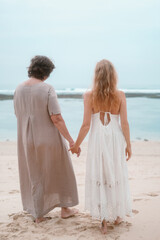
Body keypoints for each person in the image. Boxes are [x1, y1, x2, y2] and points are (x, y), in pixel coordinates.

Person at [14, 55, 79, 223]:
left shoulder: (18, 88)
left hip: (25, 139)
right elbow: (56, 118)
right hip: (48, 138)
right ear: (47, 72)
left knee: (34, 174)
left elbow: (18, 114)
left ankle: (38, 214)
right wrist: (71, 141)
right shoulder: (47, 88)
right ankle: (65, 208)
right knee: (60, 170)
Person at [70, 59, 132, 234]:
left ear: (96, 75)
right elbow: (125, 123)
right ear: (114, 75)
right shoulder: (120, 95)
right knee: (115, 172)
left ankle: (104, 222)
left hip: (98, 139)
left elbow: (86, 125)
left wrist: (76, 145)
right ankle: (118, 215)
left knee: (100, 173)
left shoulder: (89, 95)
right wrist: (128, 144)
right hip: (114, 138)